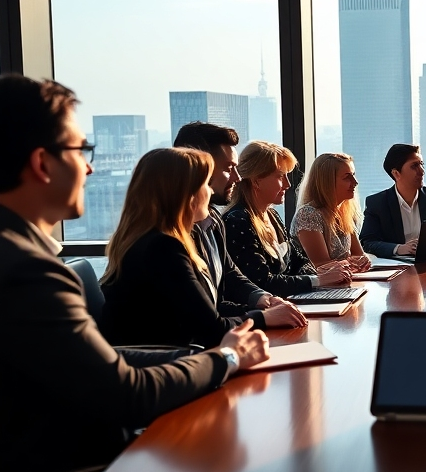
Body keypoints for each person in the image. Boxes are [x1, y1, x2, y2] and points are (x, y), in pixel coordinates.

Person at [0, 75, 269, 472]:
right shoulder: (24, 271)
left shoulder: (12, 255)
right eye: (81, 150)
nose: (89, 167)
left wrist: (195, 356)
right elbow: (128, 396)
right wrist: (226, 358)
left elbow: (107, 360)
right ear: (41, 163)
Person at [100, 148, 305, 348]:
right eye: (206, 184)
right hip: (161, 362)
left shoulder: (160, 240)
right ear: (186, 194)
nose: (211, 191)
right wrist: (263, 318)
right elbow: (212, 330)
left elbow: (208, 309)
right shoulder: (163, 248)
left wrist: (265, 305)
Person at [174, 121, 304, 328]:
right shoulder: (170, 240)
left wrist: (266, 301)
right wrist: (263, 317)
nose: (237, 177)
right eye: (228, 169)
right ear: (198, 170)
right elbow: (207, 322)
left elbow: (230, 275)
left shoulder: (213, 220)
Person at [225, 141, 360, 296]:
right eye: (280, 176)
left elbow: (300, 262)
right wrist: (319, 279)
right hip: (268, 307)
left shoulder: (272, 216)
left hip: (287, 301)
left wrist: (323, 275)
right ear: (256, 181)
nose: (287, 184)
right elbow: (262, 282)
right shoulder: (238, 220)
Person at [359, 144, 426, 258]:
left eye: (421, 164)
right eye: (414, 166)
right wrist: (399, 248)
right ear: (396, 174)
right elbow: (368, 243)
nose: (422, 171)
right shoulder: (377, 203)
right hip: (397, 265)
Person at [291, 152, 372, 271]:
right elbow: (322, 267)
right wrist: (352, 262)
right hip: (317, 282)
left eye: (353, 175)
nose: (355, 182)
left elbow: (359, 255)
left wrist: (361, 261)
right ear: (326, 182)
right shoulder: (308, 214)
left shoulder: (344, 212)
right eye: (347, 177)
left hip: (344, 279)